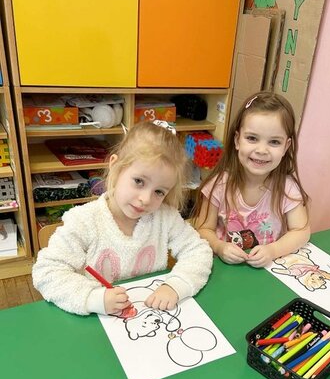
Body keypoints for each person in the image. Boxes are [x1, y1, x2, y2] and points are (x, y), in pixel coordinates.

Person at [32, 122, 213, 316]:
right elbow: (46, 271)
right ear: (115, 166)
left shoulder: (166, 218)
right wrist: (92, 298)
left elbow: (198, 250)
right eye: (139, 181)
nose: (146, 199)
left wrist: (177, 286)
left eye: (159, 192)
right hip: (97, 321)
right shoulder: (84, 220)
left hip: (149, 316)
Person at [192, 92, 310, 268]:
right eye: (252, 138)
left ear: (286, 147)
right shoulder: (219, 185)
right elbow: (204, 229)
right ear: (237, 140)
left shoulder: (288, 188)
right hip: (225, 269)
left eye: (274, 142)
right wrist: (219, 247)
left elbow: (301, 231)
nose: (262, 150)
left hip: (267, 271)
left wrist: (273, 250)